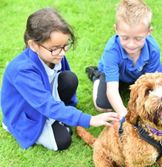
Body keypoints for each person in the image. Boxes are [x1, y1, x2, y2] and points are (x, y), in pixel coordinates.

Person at [1, 8, 119, 151]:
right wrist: (90, 119)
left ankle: (62, 114)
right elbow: (45, 105)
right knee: (62, 141)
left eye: (65, 45)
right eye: (55, 48)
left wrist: (67, 110)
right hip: (27, 110)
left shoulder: (54, 55)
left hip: (46, 98)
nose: (62, 53)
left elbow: (61, 80)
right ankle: (12, 126)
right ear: (33, 45)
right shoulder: (22, 70)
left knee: (69, 79)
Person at [85, 0, 160, 118]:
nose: (131, 44)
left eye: (138, 38)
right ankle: (96, 77)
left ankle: (127, 85)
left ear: (148, 32)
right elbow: (112, 90)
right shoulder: (111, 51)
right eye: (125, 38)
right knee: (103, 106)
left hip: (136, 77)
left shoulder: (153, 49)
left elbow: (152, 82)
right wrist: (124, 114)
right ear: (116, 30)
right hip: (114, 76)